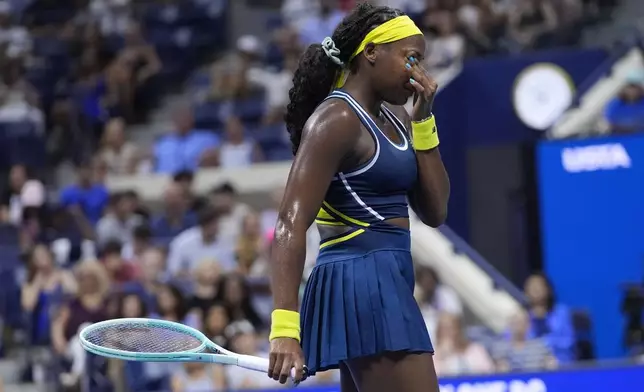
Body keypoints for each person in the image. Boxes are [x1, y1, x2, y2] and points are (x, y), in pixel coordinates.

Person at [267, 3, 450, 391]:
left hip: (385, 280)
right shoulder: (335, 120)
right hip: (361, 282)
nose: (419, 73)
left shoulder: (399, 119)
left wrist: (423, 121)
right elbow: (289, 222)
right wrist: (284, 327)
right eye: (410, 58)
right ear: (371, 53)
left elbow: (435, 211)